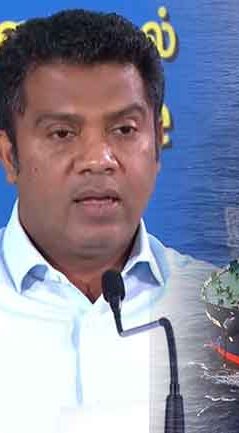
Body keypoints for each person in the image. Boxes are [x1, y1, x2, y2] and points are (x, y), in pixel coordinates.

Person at [0, 9, 213, 433]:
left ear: (157, 147)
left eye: (125, 130)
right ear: (10, 156)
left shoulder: (213, 307)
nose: (99, 160)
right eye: (62, 133)